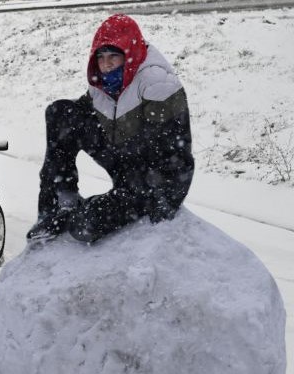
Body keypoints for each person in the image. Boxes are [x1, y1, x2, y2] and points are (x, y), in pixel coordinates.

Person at [27, 14, 194, 243]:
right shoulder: (102, 82)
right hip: (125, 160)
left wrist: (161, 203)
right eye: (101, 57)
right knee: (60, 113)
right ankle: (61, 201)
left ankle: (88, 212)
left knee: (83, 227)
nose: (105, 64)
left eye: (113, 56)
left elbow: (173, 156)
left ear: (129, 55)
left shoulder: (157, 83)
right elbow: (78, 118)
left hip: (153, 182)